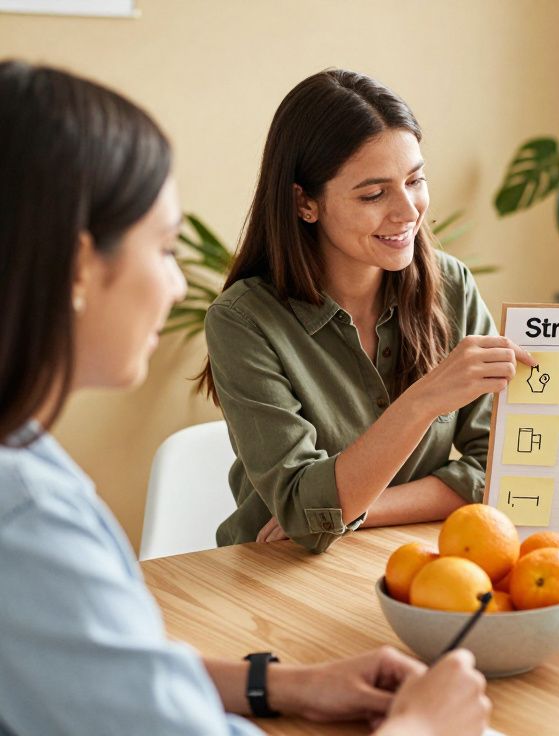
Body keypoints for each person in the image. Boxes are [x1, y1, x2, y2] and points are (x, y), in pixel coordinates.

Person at [0, 61, 490, 735]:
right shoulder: (28, 515)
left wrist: (282, 685)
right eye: (166, 248)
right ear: (82, 265)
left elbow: (99, 664)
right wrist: (423, 729)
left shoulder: (26, 460)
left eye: (414, 180)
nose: (178, 285)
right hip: (279, 598)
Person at [197, 69, 534, 553]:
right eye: (373, 194)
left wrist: (359, 510)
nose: (407, 211)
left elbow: (499, 470)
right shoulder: (243, 322)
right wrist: (422, 402)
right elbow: (301, 513)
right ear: (305, 202)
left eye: (415, 180)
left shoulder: (452, 286)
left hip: (407, 560)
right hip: (273, 575)